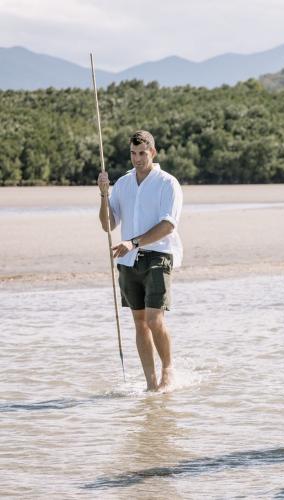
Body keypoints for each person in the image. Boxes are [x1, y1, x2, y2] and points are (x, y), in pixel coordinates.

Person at [97, 130, 184, 392]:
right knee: (139, 322)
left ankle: (167, 368)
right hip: (127, 262)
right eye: (133, 154)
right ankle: (151, 384)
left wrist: (133, 242)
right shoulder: (122, 184)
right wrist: (103, 194)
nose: (137, 159)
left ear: (153, 152)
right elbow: (108, 224)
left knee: (155, 320)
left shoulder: (167, 183)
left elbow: (168, 225)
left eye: (142, 153)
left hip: (158, 256)